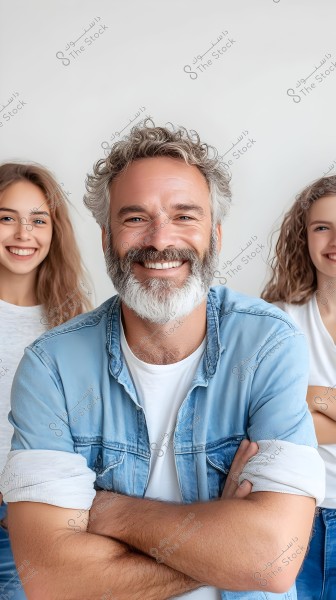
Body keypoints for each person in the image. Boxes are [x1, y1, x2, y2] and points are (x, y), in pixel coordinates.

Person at [0, 122, 325, 600]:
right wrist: (227, 547)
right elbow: (51, 578)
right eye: (134, 218)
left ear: (214, 235)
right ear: (107, 238)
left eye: (184, 216)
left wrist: (110, 511)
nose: (159, 240)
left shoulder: (268, 343)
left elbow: (272, 561)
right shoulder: (51, 365)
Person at [0, 162, 92, 600]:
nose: (23, 235)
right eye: (6, 218)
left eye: (38, 220)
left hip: (39, 528)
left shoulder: (75, 322)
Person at [261, 175, 336, 600]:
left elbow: (294, 417)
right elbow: (269, 425)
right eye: (322, 227)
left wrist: (314, 399)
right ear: (303, 237)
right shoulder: (277, 320)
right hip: (292, 514)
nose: (333, 240)